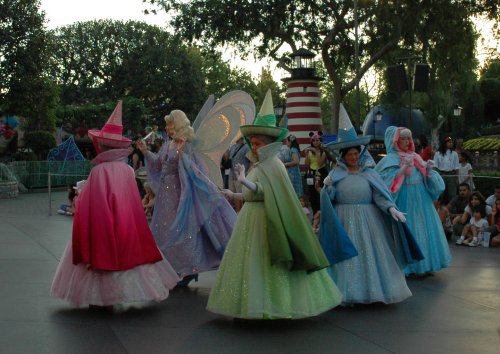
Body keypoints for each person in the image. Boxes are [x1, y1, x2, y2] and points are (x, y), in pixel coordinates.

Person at [207, 90, 342, 319]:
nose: (255, 146)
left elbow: (265, 192)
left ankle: (276, 305)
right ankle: (252, 304)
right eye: (254, 142)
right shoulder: (259, 165)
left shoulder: (274, 165)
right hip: (251, 219)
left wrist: (245, 183)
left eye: (259, 143)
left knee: (270, 261)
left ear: (269, 144)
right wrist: (234, 193)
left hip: (268, 220)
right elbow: (253, 195)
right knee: (251, 262)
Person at [51, 101, 179, 308]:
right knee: (127, 261)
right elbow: (130, 201)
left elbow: (94, 206)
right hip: (126, 225)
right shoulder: (127, 170)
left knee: (103, 259)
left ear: (101, 146)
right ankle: (121, 295)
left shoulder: (99, 172)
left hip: (103, 227)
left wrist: (80, 195)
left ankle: (100, 299)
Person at [320, 117, 421, 305]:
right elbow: (329, 200)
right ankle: (344, 292)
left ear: (360, 154)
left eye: (355, 154)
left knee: (371, 255)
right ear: (343, 156)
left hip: (368, 220)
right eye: (349, 154)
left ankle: (372, 291)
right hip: (343, 220)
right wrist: (327, 188)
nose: (353, 157)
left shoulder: (370, 174)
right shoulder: (335, 175)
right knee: (346, 257)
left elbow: (379, 196)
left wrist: (392, 209)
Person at [139, 110, 237, 286]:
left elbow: (198, 170)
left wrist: (186, 160)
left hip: (181, 195)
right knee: (164, 231)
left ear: (178, 126)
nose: (167, 128)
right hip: (165, 197)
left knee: (182, 232)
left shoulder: (188, 146)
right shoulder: (167, 145)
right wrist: (146, 152)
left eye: (170, 125)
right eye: (167, 125)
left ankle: (187, 269)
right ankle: (170, 270)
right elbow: (158, 164)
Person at [376, 127, 452, 276]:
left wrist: (429, 171)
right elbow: (385, 183)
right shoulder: (390, 160)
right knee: (411, 229)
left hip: (421, 200)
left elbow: (426, 179)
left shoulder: (415, 157)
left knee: (425, 230)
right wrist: (403, 168)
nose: (407, 141)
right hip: (404, 199)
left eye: (408, 138)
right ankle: (410, 267)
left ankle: (426, 264)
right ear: (395, 141)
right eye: (403, 138)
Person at [304, 132, 329, 214]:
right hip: (311, 172)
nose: (315, 142)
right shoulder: (310, 150)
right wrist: (307, 154)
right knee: (312, 194)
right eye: (313, 140)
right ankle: (315, 213)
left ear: (320, 141)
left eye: (317, 140)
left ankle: (322, 212)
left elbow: (319, 163)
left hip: (321, 172)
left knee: (320, 193)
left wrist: (316, 152)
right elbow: (307, 163)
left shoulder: (323, 151)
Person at [226, 135, 250, 212]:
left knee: (241, 195)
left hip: (241, 176)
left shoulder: (247, 147)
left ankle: (241, 214)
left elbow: (251, 161)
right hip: (232, 174)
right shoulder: (233, 147)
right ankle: (236, 213)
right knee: (233, 194)